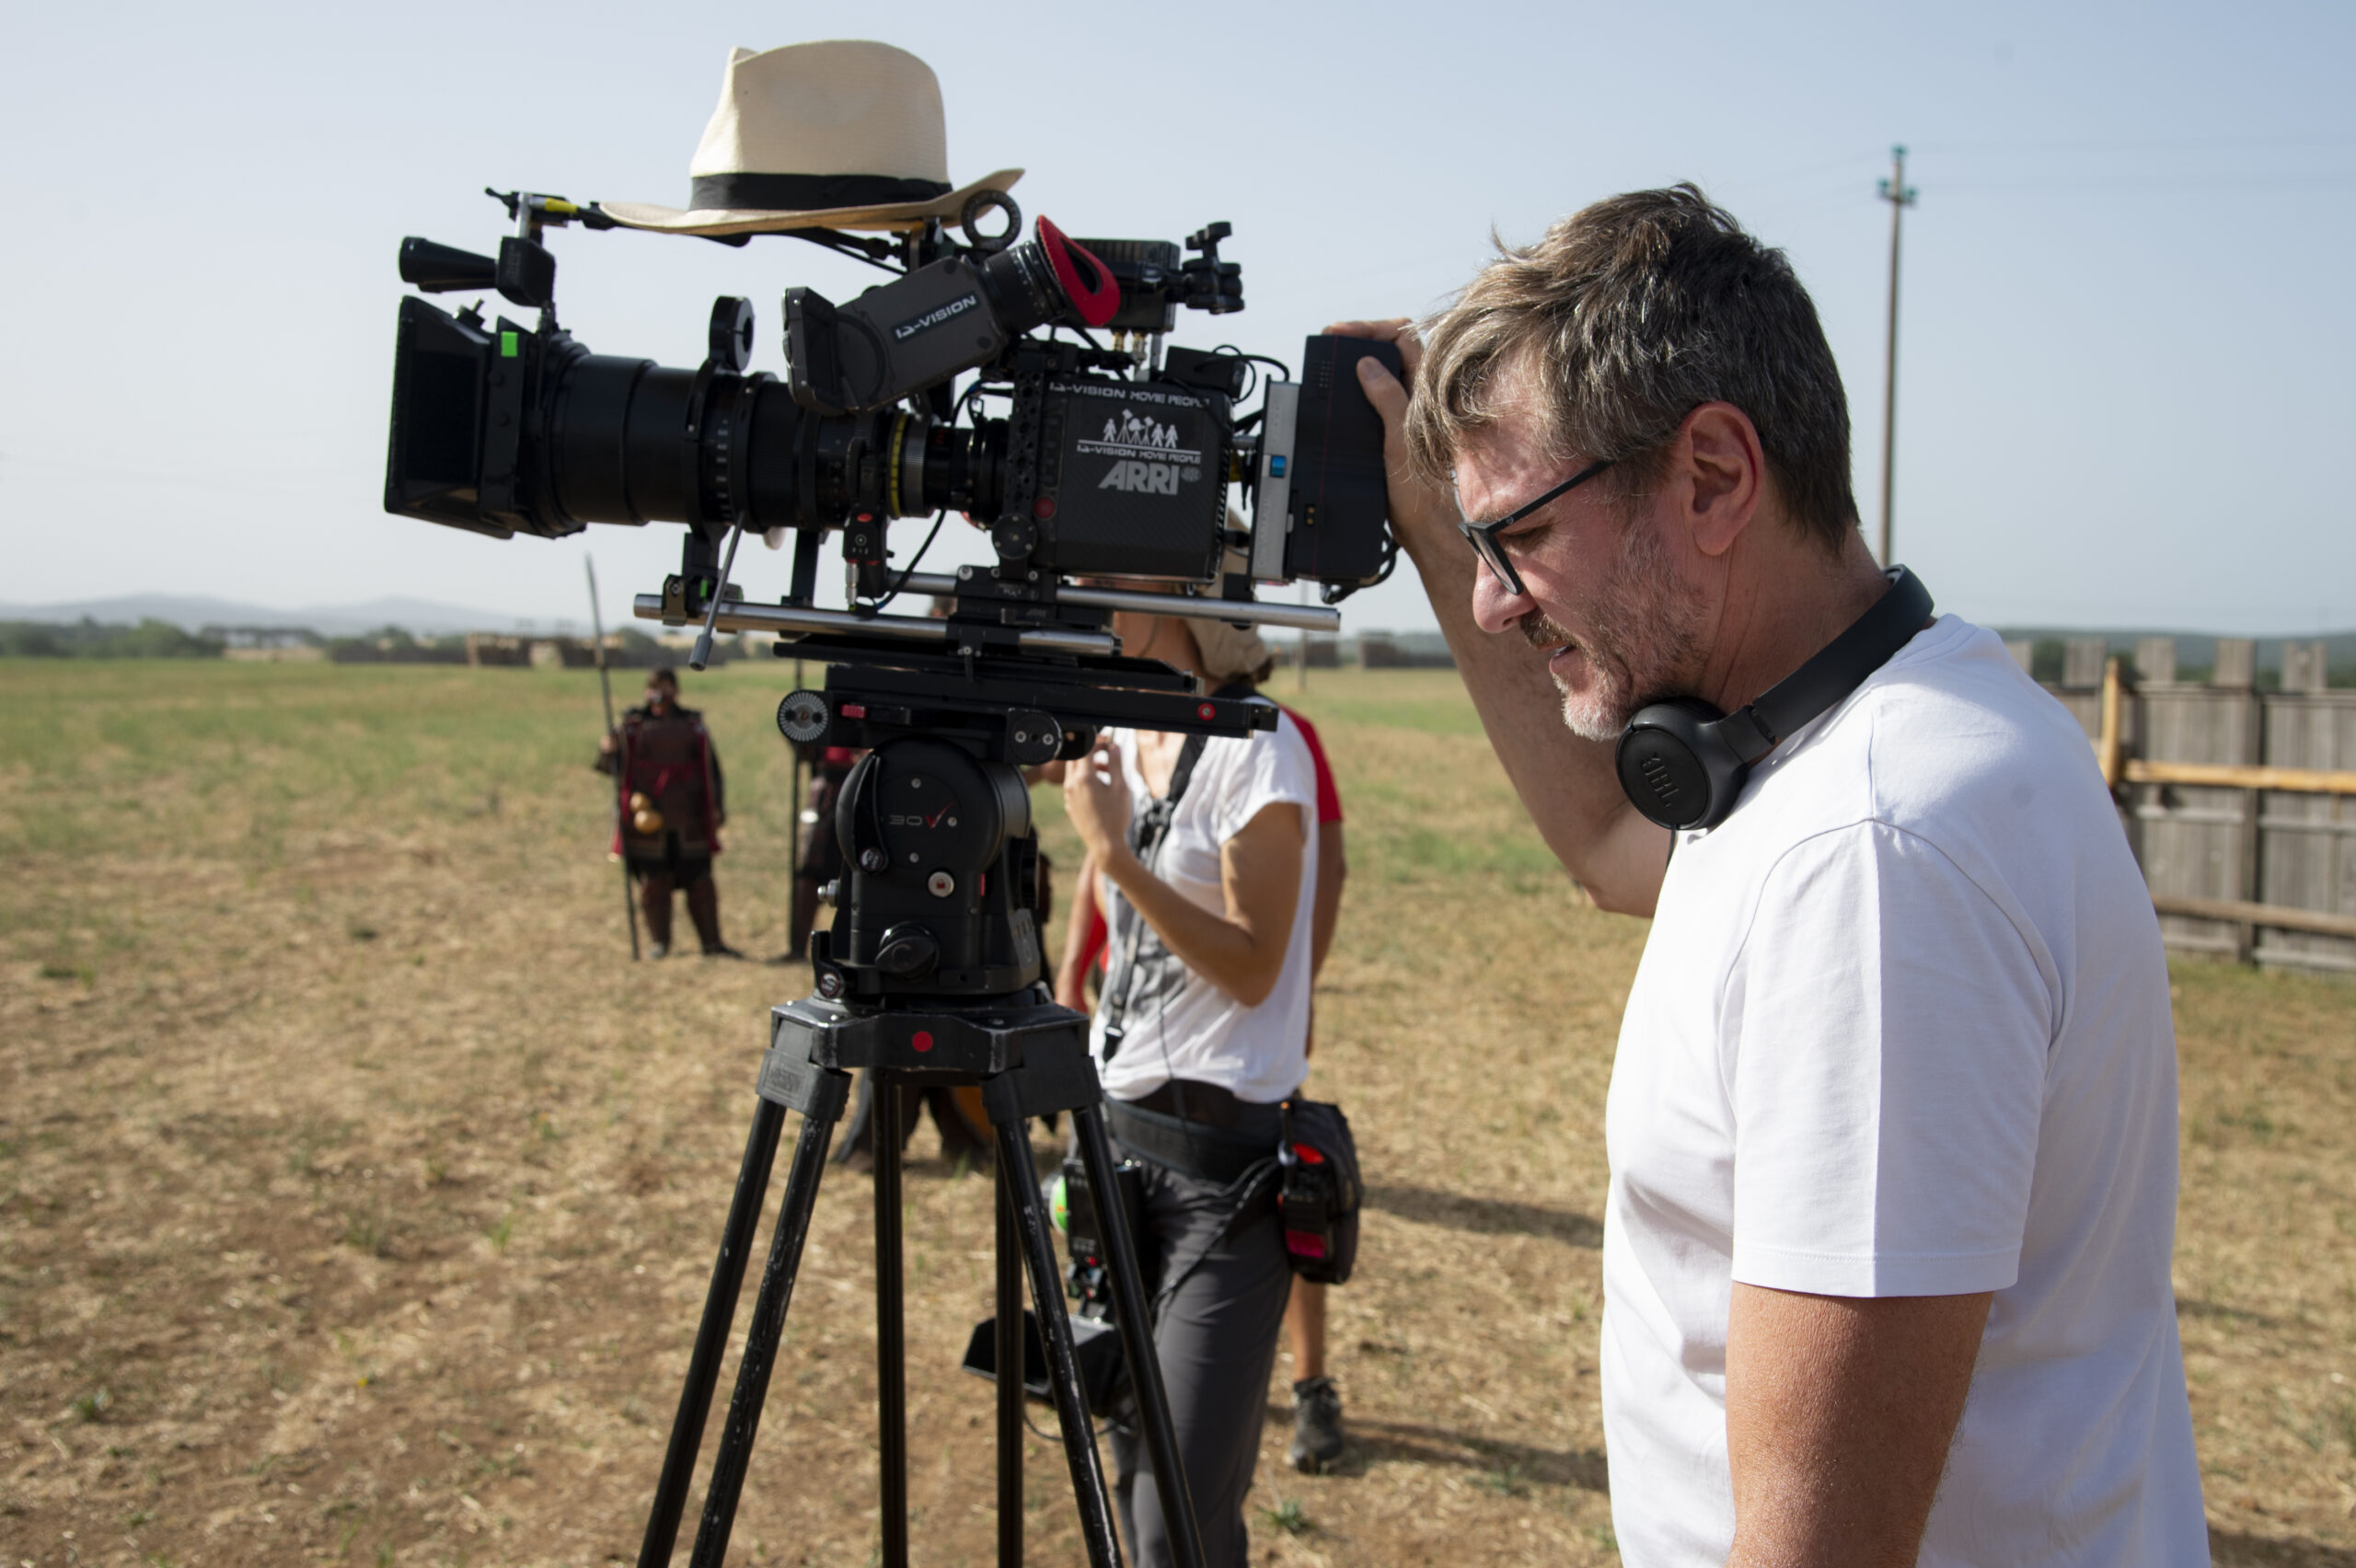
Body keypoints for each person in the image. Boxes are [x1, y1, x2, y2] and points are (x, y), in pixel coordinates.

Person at [1333, 185, 2203, 1565]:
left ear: (1717, 477)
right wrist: (1444, 533)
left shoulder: (1871, 861)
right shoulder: (1867, 745)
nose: (1499, 601)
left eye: (1525, 537)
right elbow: (1614, 850)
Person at [1059, 605, 1320, 1568]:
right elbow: (1102, 889)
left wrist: (1116, 856)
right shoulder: (1126, 730)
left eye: (1095, 579)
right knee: (1131, 1467)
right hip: (1117, 1145)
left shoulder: (1260, 746)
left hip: (1223, 1172)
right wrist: (1069, 978)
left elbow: (1254, 965)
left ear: (1167, 602)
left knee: (1175, 1512)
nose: (1073, 591)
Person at [595, 667, 740, 958]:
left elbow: (712, 769)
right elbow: (612, 770)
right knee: (654, 882)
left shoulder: (692, 725)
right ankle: (660, 942)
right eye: (654, 687)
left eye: (665, 686)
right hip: (647, 817)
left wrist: (717, 806)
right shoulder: (632, 727)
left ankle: (712, 943)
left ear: (676, 690)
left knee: (700, 880)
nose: (660, 693)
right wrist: (608, 751)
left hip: (689, 814)